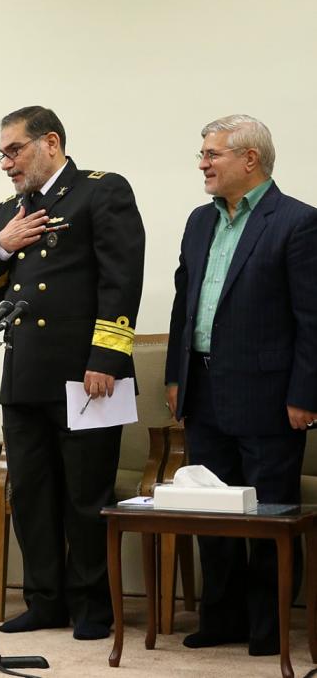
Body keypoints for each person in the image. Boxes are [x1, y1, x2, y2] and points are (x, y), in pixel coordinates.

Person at [0, 106, 145, 640]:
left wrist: (106, 359)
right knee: (31, 494)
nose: (7, 163)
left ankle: (93, 607)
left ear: (50, 142)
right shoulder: (9, 210)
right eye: (2, 154)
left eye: (14, 150)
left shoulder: (101, 191)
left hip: (85, 375)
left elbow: (121, 280)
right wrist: (2, 245)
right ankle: (44, 601)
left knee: (86, 497)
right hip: (25, 375)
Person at [165, 114, 317, 656]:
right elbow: (184, 304)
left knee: (269, 514)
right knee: (213, 513)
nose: (202, 164)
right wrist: (176, 375)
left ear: (250, 159)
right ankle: (222, 618)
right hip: (203, 390)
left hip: (270, 397)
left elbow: (312, 319)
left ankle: (267, 626)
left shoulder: (297, 222)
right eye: (203, 154)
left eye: (212, 154)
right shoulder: (198, 222)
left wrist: (305, 394)